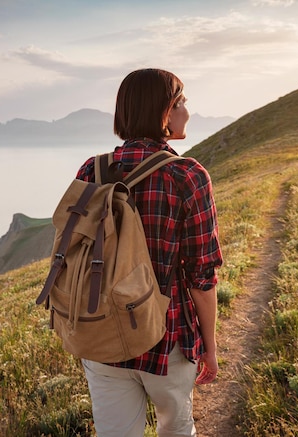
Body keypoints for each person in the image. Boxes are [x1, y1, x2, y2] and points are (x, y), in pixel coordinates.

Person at [75, 68, 223, 437]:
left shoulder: (92, 169)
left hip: (100, 334)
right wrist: (210, 348)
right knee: (176, 429)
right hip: (165, 337)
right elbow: (201, 276)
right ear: (165, 111)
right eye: (182, 102)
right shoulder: (187, 175)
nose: (188, 110)